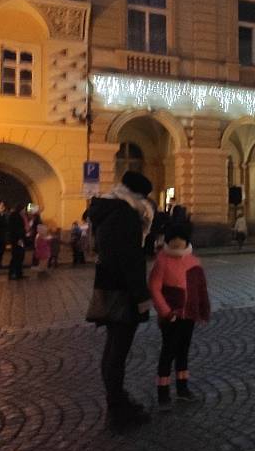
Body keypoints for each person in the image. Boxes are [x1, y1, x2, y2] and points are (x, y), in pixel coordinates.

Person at [86, 171, 155, 429]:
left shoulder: (108, 209)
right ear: (138, 195)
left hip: (108, 285)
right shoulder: (125, 215)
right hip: (122, 291)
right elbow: (129, 260)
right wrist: (140, 296)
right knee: (118, 350)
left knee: (113, 348)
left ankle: (118, 401)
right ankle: (117, 409)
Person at [149, 223, 210, 408]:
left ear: (186, 242)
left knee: (183, 351)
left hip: (188, 315)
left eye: (180, 242)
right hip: (171, 317)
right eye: (173, 242)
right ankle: (163, 394)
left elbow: (200, 287)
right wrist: (166, 312)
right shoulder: (162, 261)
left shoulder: (193, 261)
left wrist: (201, 309)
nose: (177, 245)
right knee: (168, 353)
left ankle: (183, 389)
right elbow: (154, 287)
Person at [7, 204, 27, 280]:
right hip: (17, 240)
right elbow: (16, 229)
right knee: (16, 256)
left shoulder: (19, 216)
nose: (24, 211)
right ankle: (12, 273)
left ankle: (19, 273)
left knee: (20, 256)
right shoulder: (15, 217)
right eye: (23, 209)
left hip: (19, 239)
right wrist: (19, 238)